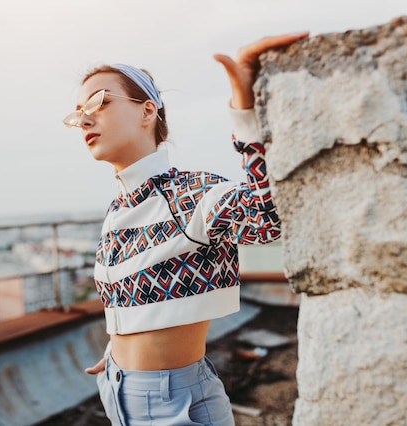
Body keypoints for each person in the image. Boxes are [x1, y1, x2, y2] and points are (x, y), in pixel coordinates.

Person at [62, 33, 308, 426]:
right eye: (78, 113)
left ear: (147, 111)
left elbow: (269, 217)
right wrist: (119, 349)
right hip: (116, 387)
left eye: (100, 102)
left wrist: (245, 109)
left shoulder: (190, 195)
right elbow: (137, 298)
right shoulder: (118, 208)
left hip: (168, 397)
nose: (85, 119)